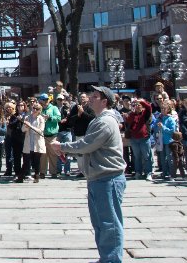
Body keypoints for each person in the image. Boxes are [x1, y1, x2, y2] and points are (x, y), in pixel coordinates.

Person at [51, 86, 127, 263]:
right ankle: (106, 257)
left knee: (109, 223)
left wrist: (63, 147)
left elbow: (87, 144)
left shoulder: (105, 122)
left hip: (108, 178)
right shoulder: (97, 120)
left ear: (104, 101)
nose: (90, 98)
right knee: (100, 223)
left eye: (95, 96)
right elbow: (86, 147)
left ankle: (112, 259)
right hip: (97, 178)